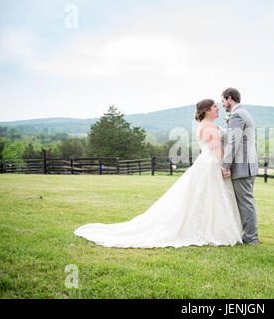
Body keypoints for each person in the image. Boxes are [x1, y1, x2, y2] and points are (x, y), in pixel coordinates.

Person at [74, 99, 243, 248]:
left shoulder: (201, 127)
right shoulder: (210, 128)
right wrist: (225, 166)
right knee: (209, 196)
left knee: (203, 197)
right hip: (211, 163)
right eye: (215, 106)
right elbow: (216, 149)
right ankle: (212, 229)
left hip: (204, 162)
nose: (218, 108)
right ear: (207, 110)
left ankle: (208, 226)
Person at [220, 88, 259, 245]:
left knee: (246, 203)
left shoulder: (237, 115)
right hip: (247, 165)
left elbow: (233, 143)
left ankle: (251, 238)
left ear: (230, 99)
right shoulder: (243, 113)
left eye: (222, 101)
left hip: (243, 167)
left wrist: (225, 165)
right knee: (246, 202)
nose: (222, 105)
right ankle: (249, 235)